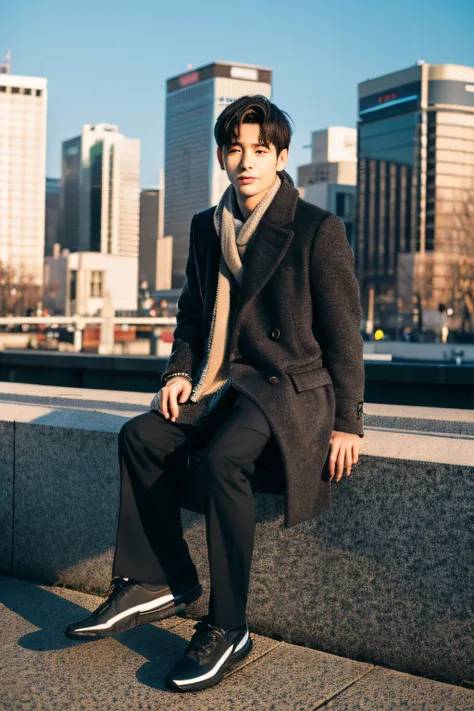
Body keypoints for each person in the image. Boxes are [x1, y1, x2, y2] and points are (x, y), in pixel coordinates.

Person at [64, 95, 364, 693]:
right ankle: (160, 580)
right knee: (141, 436)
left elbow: (343, 333)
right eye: (235, 149)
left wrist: (349, 423)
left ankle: (229, 626)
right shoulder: (207, 226)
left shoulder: (315, 229)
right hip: (219, 381)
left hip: (285, 387)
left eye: (260, 150)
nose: (246, 161)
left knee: (228, 459)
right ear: (224, 158)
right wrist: (177, 373)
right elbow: (193, 317)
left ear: (280, 157)